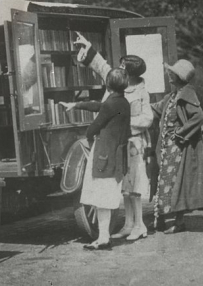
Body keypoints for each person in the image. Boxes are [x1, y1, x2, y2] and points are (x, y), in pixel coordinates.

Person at [64, 32, 153, 241]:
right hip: (117, 143)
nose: (118, 68)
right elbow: (101, 65)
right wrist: (88, 45)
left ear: (129, 73)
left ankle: (139, 225)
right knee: (123, 186)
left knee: (135, 185)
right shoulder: (117, 82)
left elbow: (147, 118)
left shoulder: (141, 91)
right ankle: (128, 223)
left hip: (133, 142)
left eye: (122, 67)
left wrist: (122, 122)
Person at [64, 68, 131, 250]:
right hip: (116, 154)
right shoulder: (124, 102)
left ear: (108, 84)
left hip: (103, 155)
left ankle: (103, 238)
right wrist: (76, 105)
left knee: (100, 197)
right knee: (106, 196)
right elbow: (99, 106)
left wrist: (89, 137)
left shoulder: (110, 104)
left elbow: (93, 127)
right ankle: (104, 236)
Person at [149, 59, 203, 234]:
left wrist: (181, 132)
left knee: (176, 182)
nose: (169, 75)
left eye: (171, 73)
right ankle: (162, 219)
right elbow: (157, 109)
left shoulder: (187, 95)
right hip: (167, 147)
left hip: (179, 148)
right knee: (164, 180)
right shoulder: (172, 96)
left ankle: (179, 222)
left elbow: (199, 116)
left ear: (178, 77)